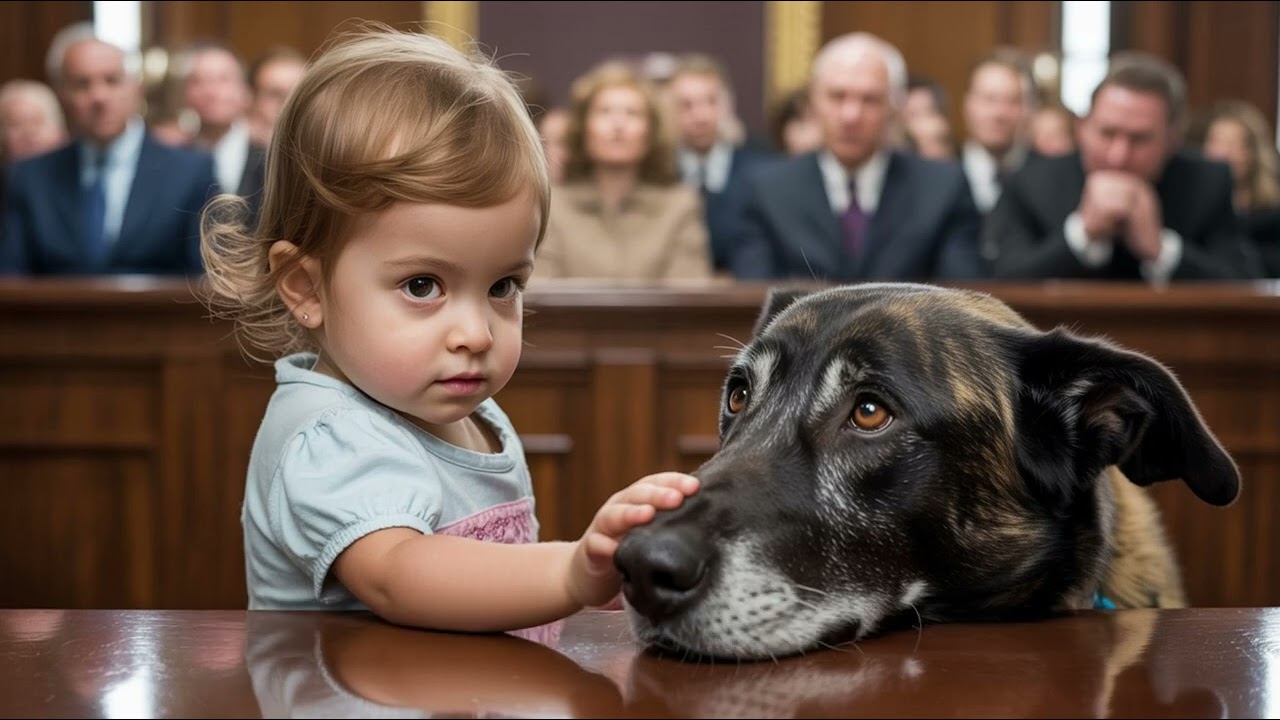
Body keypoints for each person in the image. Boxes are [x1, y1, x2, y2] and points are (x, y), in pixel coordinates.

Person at [199, 27, 699, 631]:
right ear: (306, 287)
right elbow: (399, 573)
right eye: (422, 286)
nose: (477, 333)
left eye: (502, 287)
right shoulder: (330, 435)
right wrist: (568, 573)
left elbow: (487, 578)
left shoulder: (463, 412)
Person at [986, 52, 1262, 282]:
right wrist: (1082, 235)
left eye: (1139, 139)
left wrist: (1161, 251)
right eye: (1107, 134)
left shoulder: (1208, 182)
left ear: (1171, 139)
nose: (1119, 156)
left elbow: (1246, 286)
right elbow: (1004, 281)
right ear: (1082, 128)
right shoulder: (1032, 181)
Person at [732, 32, 984, 282]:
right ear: (812, 102)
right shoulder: (767, 189)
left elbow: (960, 300)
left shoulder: (942, 188)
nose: (851, 115)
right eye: (837, 96)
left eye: (870, 99)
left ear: (895, 107)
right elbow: (754, 300)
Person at [2, 24, 219, 275]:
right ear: (62, 94)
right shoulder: (30, 177)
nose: (99, 96)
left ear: (136, 88)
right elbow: (11, 281)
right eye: (82, 84)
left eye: (112, 81)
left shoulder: (190, 173)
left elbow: (207, 279)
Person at [533, 60, 712, 282]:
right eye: (604, 111)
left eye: (632, 113)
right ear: (583, 128)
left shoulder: (680, 207)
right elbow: (542, 298)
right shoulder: (553, 206)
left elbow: (689, 299)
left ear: (651, 133)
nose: (618, 124)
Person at [665, 53, 775, 274]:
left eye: (711, 101)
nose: (700, 116)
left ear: (728, 105)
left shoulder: (763, 172)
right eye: (686, 105)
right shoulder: (659, 175)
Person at [1193, 99, 1280, 277]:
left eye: (1235, 144)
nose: (1224, 153)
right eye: (1216, 142)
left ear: (1254, 153)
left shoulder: (1273, 217)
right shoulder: (1194, 211)